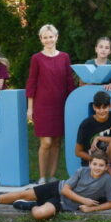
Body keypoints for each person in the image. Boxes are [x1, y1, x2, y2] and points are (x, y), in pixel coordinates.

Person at [0, 150, 111, 220]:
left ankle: (30, 206)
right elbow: (65, 189)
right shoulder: (81, 171)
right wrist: (84, 201)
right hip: (56, 188)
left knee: (39, 214)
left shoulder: (106, 180)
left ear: (106, 167)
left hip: (63, 203)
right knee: (22, 194)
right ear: (90, 163)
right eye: (95, 164)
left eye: (101, 165)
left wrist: (92, 209)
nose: (97, 168)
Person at [26, 24, 76, 185]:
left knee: (56, 142)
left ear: (56, 37)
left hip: (61, 105)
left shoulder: (65, 57)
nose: (48, 39)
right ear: (41, 39)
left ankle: (52, 176)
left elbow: (69, 81)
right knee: (46, 142)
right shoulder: (36, 58)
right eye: (45, 37)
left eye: (51, 36)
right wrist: (30, 107)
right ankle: (42, 177)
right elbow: (32, 82)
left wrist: (71, 105)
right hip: (42, 105)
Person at [75, 91, 111, 180]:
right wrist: (97, 161)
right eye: (98, 107)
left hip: (110, 159)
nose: (101, 111)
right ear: (93, 107)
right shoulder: (86, 124)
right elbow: (78, 152)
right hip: (93, 161)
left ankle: (109, 169)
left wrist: (99, 137)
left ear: (110, 106)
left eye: (105, 107)